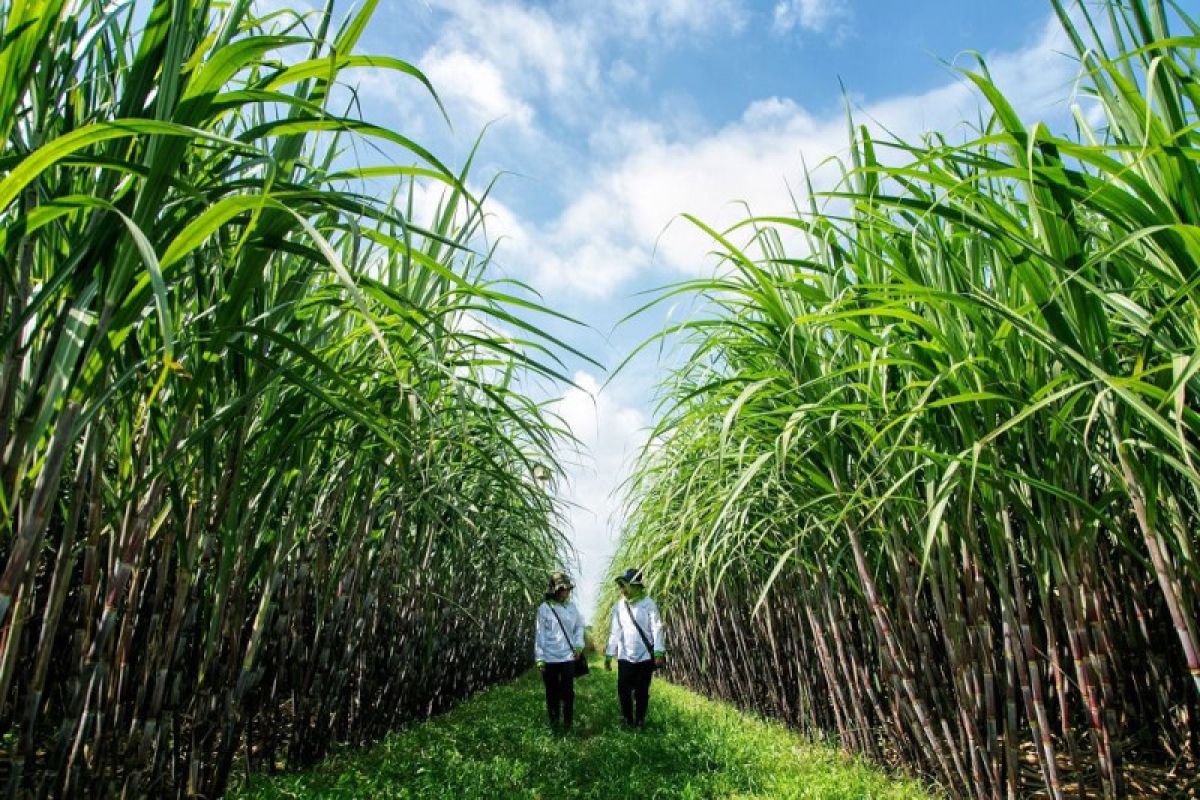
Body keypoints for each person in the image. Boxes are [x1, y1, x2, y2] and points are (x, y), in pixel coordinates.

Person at [604, 568, 665, 728]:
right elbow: (615, 631)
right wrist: (609, 654)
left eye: (625, 586)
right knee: (623, 690)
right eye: (621, 587)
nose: (622, 590)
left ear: (636, 585)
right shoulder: (619, 606)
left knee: (642, 691)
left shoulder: (648, 604)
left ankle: (640, 720)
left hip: (644, 656)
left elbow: (657, 628)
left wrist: (658, 651)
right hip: (625, 656)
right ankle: (627, 719)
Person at [534, 571, 585, 732]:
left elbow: (579, 627)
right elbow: (540, 634)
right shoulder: (544, 608)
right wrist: (540, 658)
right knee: (551, 692)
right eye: (564, 588)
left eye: (568, 588)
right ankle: (554, 724)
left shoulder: (572, 607)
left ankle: (568, 725)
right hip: (549, 657)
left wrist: (578, 646)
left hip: (568, 657)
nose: (567, 591)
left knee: (568, 691)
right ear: (555, 590)